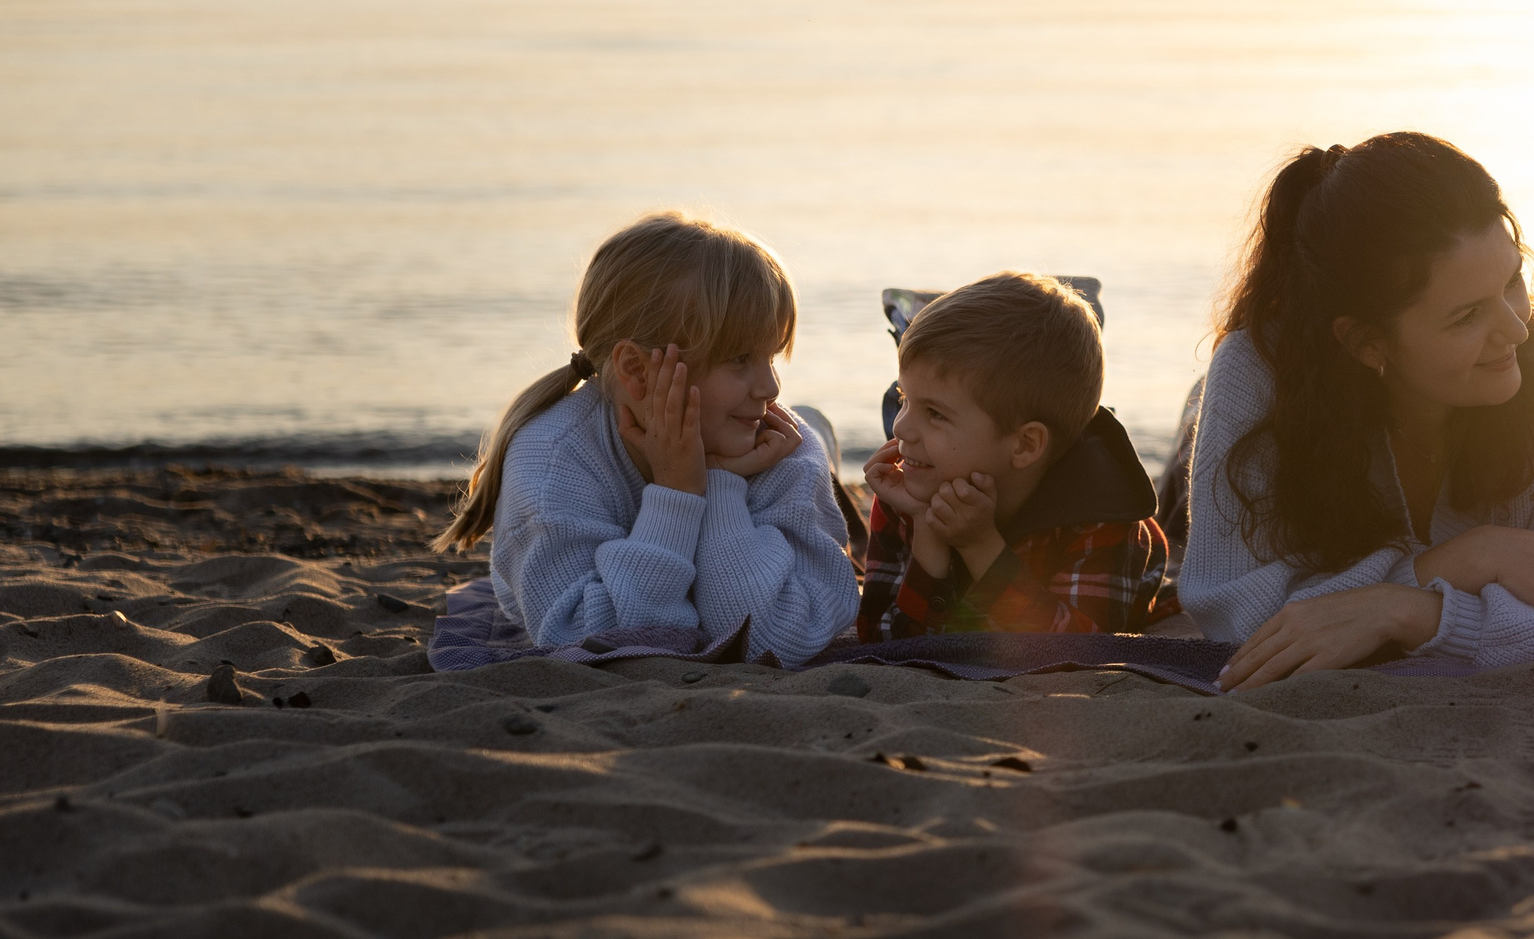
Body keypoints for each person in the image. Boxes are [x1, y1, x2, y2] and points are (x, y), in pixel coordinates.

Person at [1184, 132, 1534, 689]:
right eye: (1466, 315)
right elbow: (1237, 621)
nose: (1517, 329)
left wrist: (1409, 611)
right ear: (1366, 343)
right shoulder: (1259, 371)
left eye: (1513, 281)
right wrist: (1465, 561)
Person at [434, 212, 857, 667]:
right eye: (738, 359)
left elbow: (773, 639)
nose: (770, 388)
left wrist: (717, 481)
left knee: (811, 441)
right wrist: (676, 493)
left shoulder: (783, 448)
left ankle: (822, 433)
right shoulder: (551, 463)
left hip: (784, 456)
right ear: (637, 370)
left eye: (771, 356)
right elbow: (598, 638)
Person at [857, 272, 1168, 638]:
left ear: (1024, 445)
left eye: (935, 413)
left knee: (1179, 501)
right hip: (990, 451)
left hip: (1083, 497)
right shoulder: (911, 494)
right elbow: (883, 637)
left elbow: (1080, 649)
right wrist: (927, 533)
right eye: (904, 399)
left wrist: (980, 547)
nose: (899, 429)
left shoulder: (1104, 514)